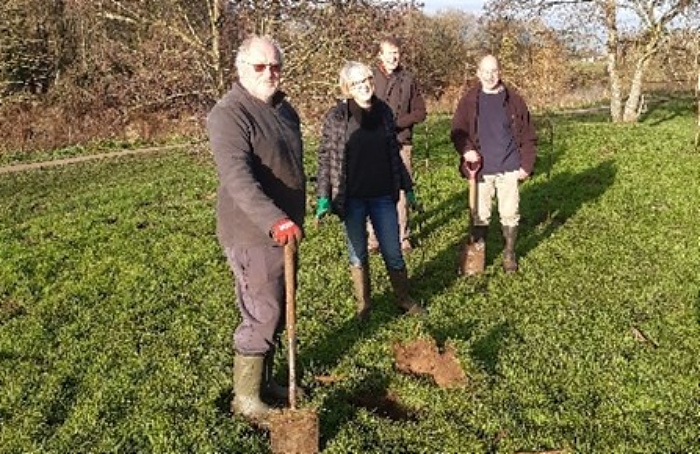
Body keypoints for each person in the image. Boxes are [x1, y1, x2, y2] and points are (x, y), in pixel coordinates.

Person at [206, 35, 305, 423]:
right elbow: (238, 178)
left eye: (275, 65)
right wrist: (273, 219)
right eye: (260, 67)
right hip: (253, 232)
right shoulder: (229, 114)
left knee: (278, 309)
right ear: (241, 69)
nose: (270, 73)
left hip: (285, 231)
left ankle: (266, 383)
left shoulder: (283, 109)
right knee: (262, 312)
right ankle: (246, 399)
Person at [315, 61, 425, 321]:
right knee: (358, 253)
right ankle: (364, 306)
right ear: (347, 88)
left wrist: (407, 188)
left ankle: (403, 298)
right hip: (351, 198)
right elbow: (326, 158)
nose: (364, 86)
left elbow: (393, 154)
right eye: (356, 83)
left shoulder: (384, 112)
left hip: (382, 196)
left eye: (366, 80)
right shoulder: (337, 117)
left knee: (393, 250)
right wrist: (323, 196)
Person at [450, 54, 537, 274]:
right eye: (485, 71)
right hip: (480, 169)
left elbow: (528, 135)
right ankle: (477, 255)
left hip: (509, 166)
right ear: (478, 73)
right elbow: (457, 130)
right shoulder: (469, 100)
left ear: (500, 72)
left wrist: (526, 166)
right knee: (480, 214)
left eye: (494, 71)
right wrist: (467, 150)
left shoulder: (514, 100)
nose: (490, 76)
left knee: (510, 212)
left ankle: (509, 254)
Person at [367, 36, 427, 253]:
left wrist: (397, 124)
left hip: (402, 144)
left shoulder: (409, 79)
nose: (394, 57)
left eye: (396, 53)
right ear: (380, 55)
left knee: (402, 191)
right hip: (374, 144)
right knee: (375, 189)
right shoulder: (369, 77)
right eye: (389, 52)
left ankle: (403, 237)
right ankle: (373, 239)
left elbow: (421, 112)